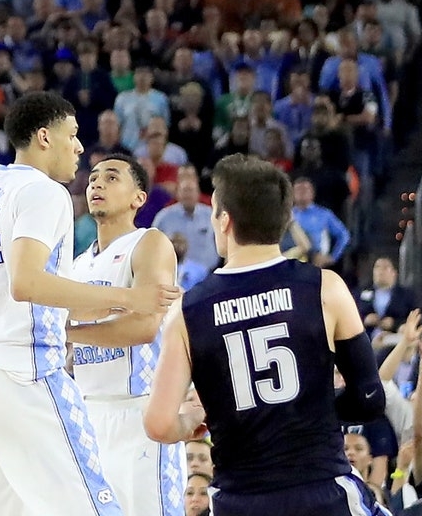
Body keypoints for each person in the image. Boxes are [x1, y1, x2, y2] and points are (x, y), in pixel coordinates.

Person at [0, 91, 174, 516]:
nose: (79, 147)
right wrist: (128, 297)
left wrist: (108, 309)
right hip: (25, 375)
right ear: (43, 137)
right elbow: (26, 282)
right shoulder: (44, 192)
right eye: (71, 135)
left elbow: (17, 290)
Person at [145, 154, 388, 516]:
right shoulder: (326, 288)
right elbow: (369, 399)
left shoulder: (188, 310)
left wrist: (193, 419)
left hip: (238, 499)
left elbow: (160, 424)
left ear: (224, 220)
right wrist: (305, 410)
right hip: (321, 489)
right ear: (283, 220)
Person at [69, 152, 183, 516]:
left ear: (139, 198)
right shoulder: (77, 264)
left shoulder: (149, 243)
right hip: (88, 411)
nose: (97, 183)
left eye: (112, 177)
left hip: (140, 411)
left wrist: (71, 329)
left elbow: (144, 327)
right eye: (93, 178)